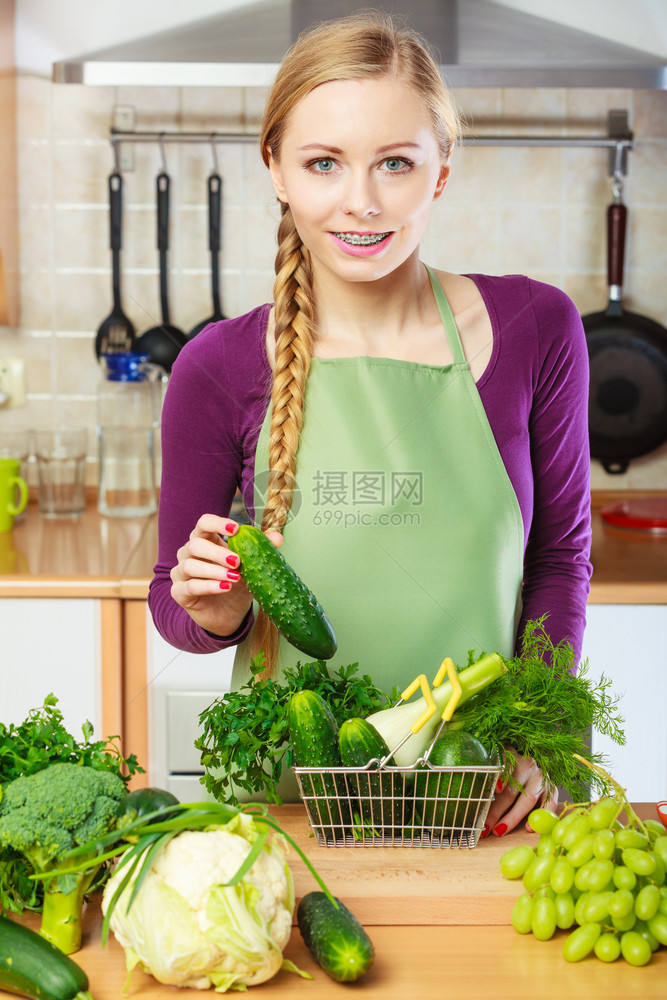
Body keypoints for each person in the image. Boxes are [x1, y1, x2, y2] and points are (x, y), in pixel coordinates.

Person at [148, 13, 592, 835]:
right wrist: (216, 612)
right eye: (324, 163)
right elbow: (173, 604)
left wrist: (549, 743)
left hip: (489, 784)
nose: (361, 202)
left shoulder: (537, 326)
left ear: (440, 175)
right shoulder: (217, 365)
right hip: (297, 799)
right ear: (275, 168)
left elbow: (560, 558)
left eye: (395, 163)